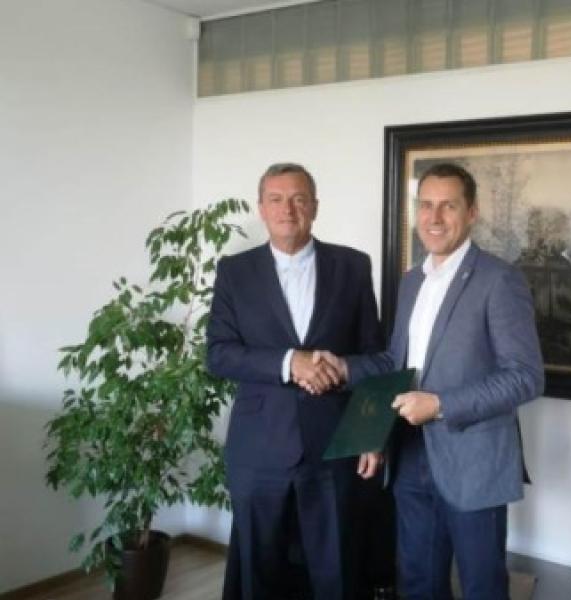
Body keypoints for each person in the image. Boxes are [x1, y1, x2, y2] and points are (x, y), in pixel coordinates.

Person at [313, 163, 545, 600]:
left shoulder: (499, 280)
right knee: (418, 583)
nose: (434, 218)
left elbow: (525, 377)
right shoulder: (411, 281)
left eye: (448, 206)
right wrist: (342, 367)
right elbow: (394, 362)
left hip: (473, 463)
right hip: (408, 452)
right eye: (426, 205)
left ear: (471, 212)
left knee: (482, 587)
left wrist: (439, 405)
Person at [206, 162, 384, 600]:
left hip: (336, 446)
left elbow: (376, 358)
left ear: (315, 207)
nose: (288, 209)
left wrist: (372, 434)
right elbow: (219, 354)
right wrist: (290, 363)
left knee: (337, 572)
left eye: (299, 199)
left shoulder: (353, 266)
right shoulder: (234, 271)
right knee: (258, 574)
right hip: (259, 448)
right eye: (277, 199)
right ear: (262, 208)